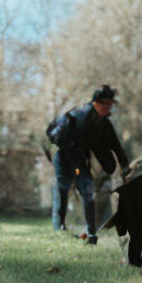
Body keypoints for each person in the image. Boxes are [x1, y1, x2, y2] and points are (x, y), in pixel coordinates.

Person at [48, 85, 130, 244]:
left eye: (111, 104)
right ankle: (59, 227)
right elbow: (69, 144)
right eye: (107, 104)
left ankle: (91, 231)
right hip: (63, 156)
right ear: (97, 103)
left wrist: (124, 164)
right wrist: (80, 170)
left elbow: (115, 144)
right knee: (64, 187)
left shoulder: (103, 123)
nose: (110, 107)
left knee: (86, 188)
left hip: (77, 158)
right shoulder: (81, 115)